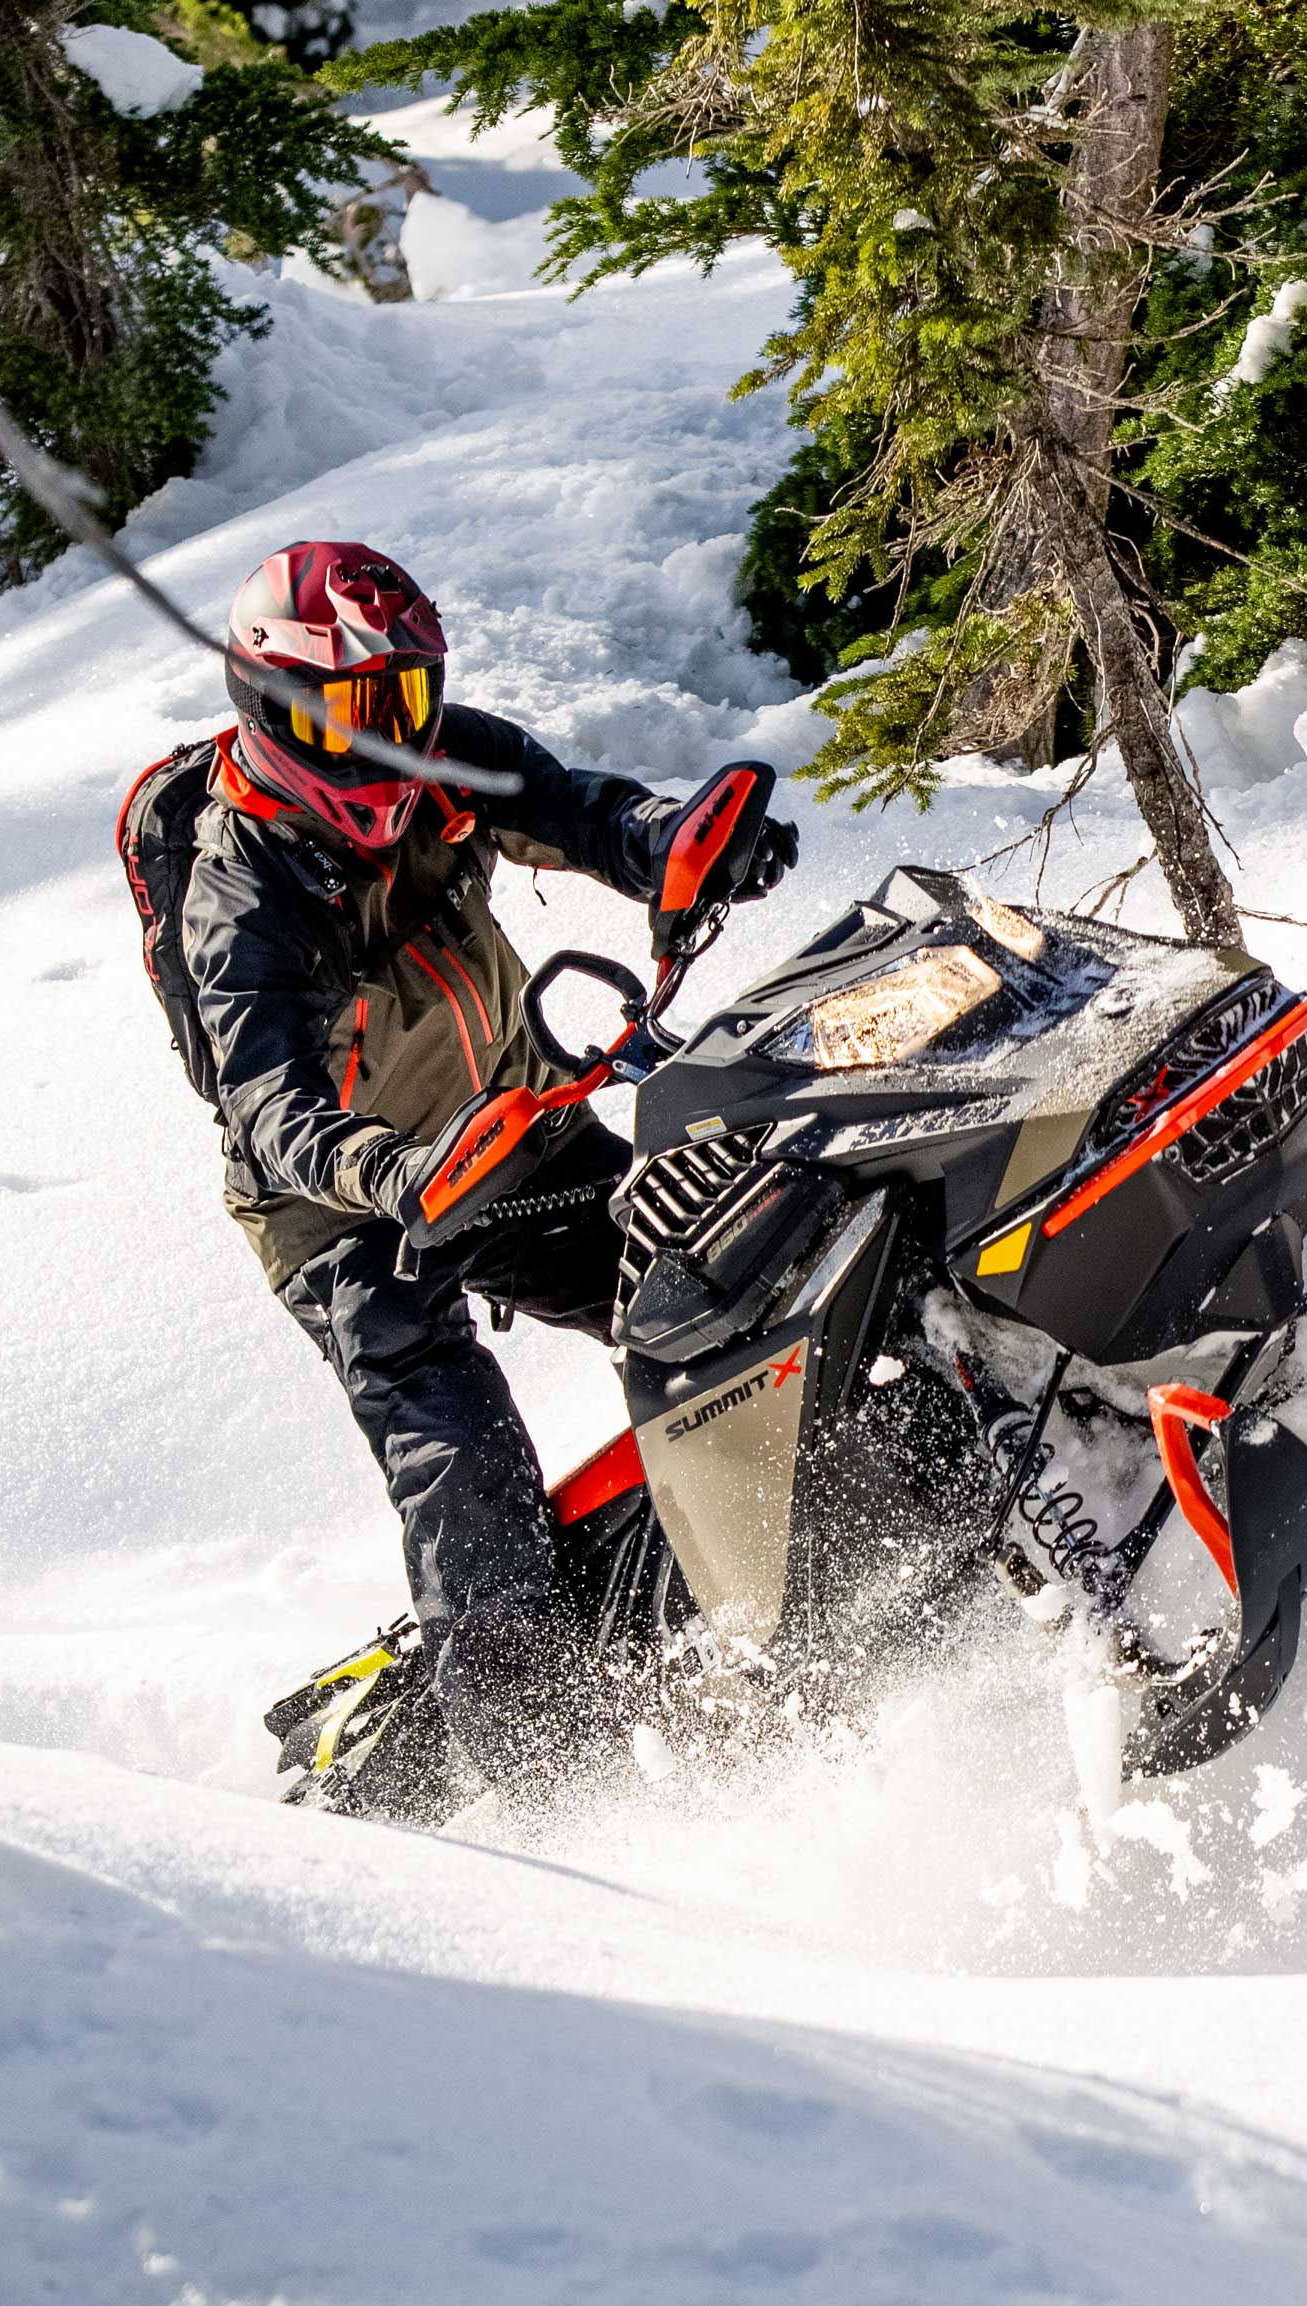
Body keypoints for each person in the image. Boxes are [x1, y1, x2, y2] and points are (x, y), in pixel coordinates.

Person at [181, 540, 795, 1795]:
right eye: (366, 707)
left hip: (511, 1132)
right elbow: (266, 1109)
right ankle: (544, 1803)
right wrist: (398, 1174)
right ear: (281, 706)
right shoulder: (238, 891)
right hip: (346, 1215)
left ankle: (767, 1554)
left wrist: (679, 846)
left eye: (412, 693)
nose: (401, 734)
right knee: (471, 1481)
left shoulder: (441, 755)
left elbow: (584, 814)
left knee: (718, 1284)